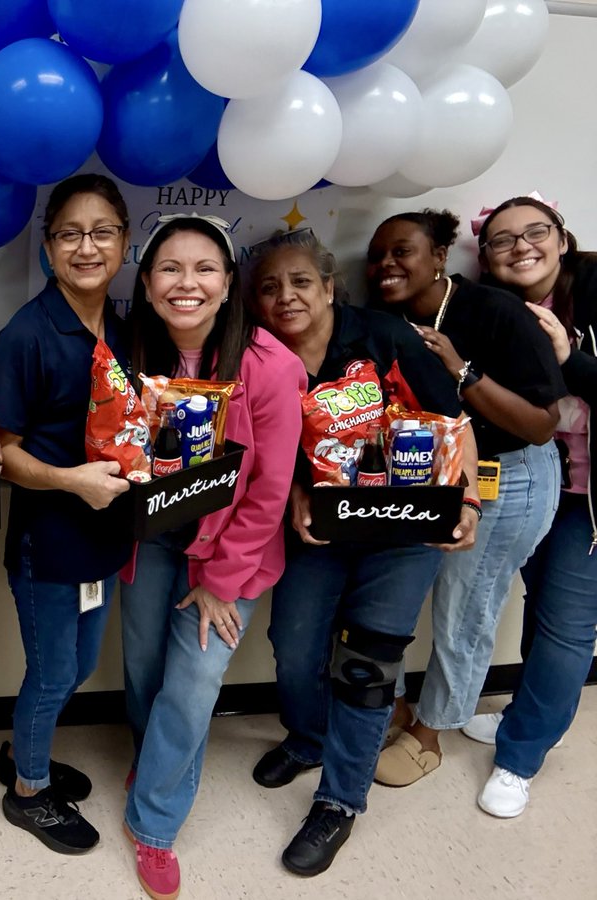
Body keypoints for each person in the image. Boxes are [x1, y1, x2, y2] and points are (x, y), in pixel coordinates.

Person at [247, 230, 479, 877]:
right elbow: (266, 447)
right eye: (269, 286)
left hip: (405, 534)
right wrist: (296, 491)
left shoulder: (386, 338)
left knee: (366, 664)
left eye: (299, 281)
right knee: (293, 644)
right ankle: (308, 737)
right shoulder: (259, 359)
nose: (285, 295)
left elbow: (452, 422)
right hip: (323, 530)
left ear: (327, 287)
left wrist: (466, 505)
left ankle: (339, 802)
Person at [118, 214, 304, 899]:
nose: (186, 283)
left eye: (204, 269)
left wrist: (224, 583)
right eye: (169, 268)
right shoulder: (133, 353)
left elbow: (272, 488)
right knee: (142, 670)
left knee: (193, 684)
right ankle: (153, 758)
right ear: (145, 282)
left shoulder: (270, 365)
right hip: (152, 543)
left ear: (229, 285)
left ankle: (156, 823)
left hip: (230, 558)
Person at [365, 210, 565, 788]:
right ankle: (397, 707)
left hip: (510, 475)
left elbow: (540, 425)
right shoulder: (386, 319)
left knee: (465, 608)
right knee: (394, 597)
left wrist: (460, 369)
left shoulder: (496, 312)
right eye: (377, 256)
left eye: (402, 252)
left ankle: (431, 734)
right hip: (426, 476)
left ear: (439, 258)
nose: (386, 265)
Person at [0, 173, 134, 855]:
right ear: (47, 248)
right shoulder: (26, 334)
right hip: (49, 543)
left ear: (124, 243)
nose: (86, 246)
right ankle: (29, 791)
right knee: (52, 673)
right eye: (70, 233)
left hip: (105, 538)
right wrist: (73, 483)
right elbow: (1, 455)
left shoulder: (127, 328)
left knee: (75, 668)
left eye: (101, 231)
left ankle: (23, 752)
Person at [464, 195, 597, 816]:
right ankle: (532, 715)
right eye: (502, 240)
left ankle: (521, 757)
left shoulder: (593, 294)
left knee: (565, 626)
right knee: (531, 606)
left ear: (563, 239)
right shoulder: (493, 312)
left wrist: (572, 359)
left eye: (535, 232)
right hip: (531, 482)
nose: (522, 247)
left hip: (588, 503)